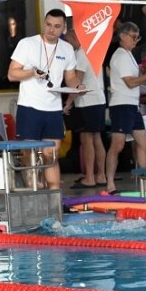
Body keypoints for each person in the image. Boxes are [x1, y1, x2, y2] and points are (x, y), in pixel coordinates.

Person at [7, 8, 81, 190]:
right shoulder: (27, 44)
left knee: (51, 154)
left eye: (56, 26)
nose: (51, 29)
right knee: (29, 154)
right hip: (29, 107)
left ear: (64, 28)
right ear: (44, 23)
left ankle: (54, 195)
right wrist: (32, 72)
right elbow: (11, 74)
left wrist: (77, 86)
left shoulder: (67, 48)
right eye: (48, 25)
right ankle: (33, 190)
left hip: (53, 109)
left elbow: (70, 76)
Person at [105, 22, 146, 195]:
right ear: (122, 36)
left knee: (144, 142)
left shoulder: (129, 55)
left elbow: (135, 85)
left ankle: (145, 181)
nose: (136, 40)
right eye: (133, 36)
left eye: (138, 37)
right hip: (121, 105)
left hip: (132, 104)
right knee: (118, 145)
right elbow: (130, 83)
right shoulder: (121, 56)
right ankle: (110, 184)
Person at [63, 28, 107, 188]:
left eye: (69, 39)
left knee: (86, 139)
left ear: (75, 36)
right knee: (97, 138)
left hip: (88, 101)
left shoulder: (81, 53)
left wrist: (68, 102)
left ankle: (90, 177)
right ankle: (101, 175)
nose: (68, 43)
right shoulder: (93, 51)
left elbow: (77, 82)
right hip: (98, 99)